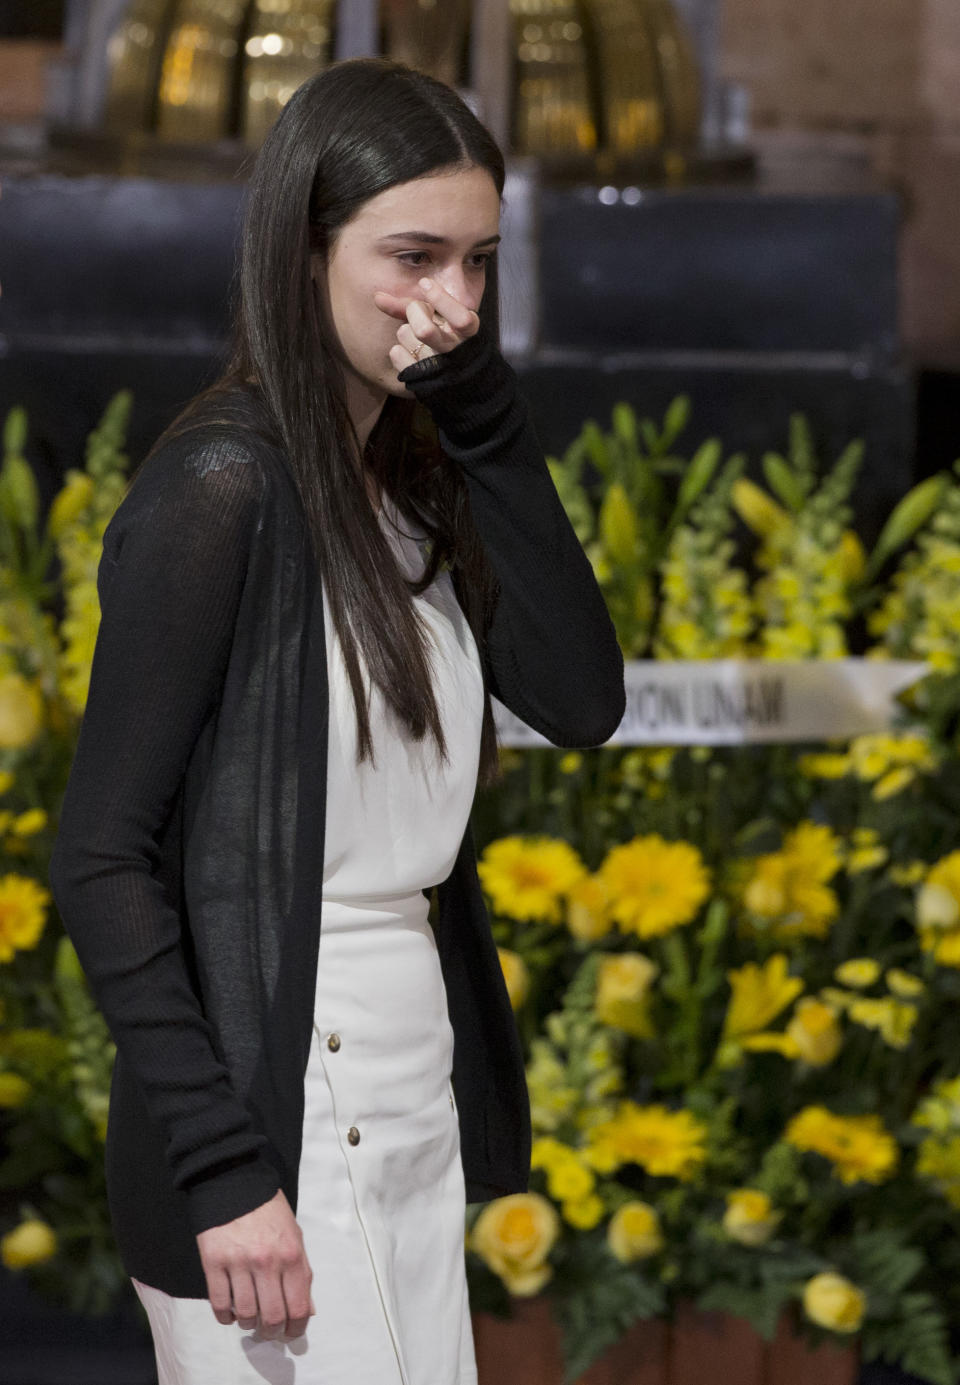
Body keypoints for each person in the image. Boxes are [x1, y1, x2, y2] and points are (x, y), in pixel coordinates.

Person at [48, 57, 625, 1385]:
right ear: (306, 250)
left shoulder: (413, 482)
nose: (454, 304)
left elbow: (582, 700)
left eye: (480, 263)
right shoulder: (221, 484)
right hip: (274, 1108)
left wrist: (484, 416)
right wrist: (219, 1161)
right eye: (413, 256)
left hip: (403, 1091)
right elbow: (101, 854)